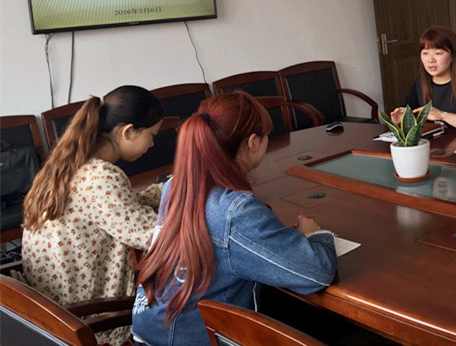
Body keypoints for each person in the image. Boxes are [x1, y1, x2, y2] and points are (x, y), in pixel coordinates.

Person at [131, 92, 337, 346]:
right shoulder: (236, 211)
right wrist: (314, 234)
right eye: (266, 136)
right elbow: (316, 273)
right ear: (252, 143)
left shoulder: (174, 187)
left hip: (149, 332)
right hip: (192, 337)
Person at [22, 85, 164, 346]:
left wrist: (165, 189)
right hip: (87, 320)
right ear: (127, 131)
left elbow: (116, 208)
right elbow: (157, 236)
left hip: (51, 313)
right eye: (152, 135)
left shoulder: (68, 165)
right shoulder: (102, 177)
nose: (153, 144)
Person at [390, 25, 456, 132]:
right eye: (425, 53)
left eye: (438, 53)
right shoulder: (421, 82)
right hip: (433, 141)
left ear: (453, 56)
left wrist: (442, 115)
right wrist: (399, 119)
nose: (431, 60)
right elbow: (407, 112)